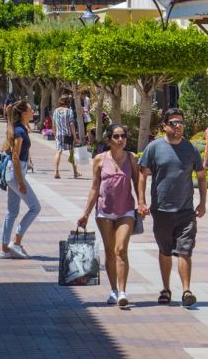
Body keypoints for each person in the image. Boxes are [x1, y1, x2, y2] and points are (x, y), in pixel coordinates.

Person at [137, 108, 206, 307]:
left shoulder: (191, 149)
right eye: (174, 123)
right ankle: (166, 289)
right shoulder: (154, 147)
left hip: (185, 210)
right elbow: (143, 175)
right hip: (162, 210)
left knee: (185, 250)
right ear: (164, 126)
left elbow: (201, 176)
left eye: (181, 123)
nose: (178, 126)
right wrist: (141, 201)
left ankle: (186, 291)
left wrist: (202, 202)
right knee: (165, 251)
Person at [78, 124, 139, 307]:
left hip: (126, 210)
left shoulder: (132, 158)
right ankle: (113, 290)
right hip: (104, 211)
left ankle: (122, 291)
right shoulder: (99, 159)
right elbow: (95, 188)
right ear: (109, 139)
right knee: (110, 251)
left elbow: (137, 182)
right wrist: (86, 213)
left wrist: (142, 202)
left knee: (121, 250)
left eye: (123, 136)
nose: (121, 140)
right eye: (116, 136)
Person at [1, 101, 41, 259]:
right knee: (35, 207)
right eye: (31, 108)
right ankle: (16, 242)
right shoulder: (19, 131)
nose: (33, 110)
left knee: (12, 212)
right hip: (15, 173)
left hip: (15, 173)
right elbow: (15, 157)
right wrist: (21, 182)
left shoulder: (21, 128)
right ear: (24, 113)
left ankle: (5, 248)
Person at [53, 96, 81, 179]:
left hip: (59, 134)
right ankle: (75, 172)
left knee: (58, 152)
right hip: (68, 134)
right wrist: (75, 137)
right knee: (72, 153)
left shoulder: (55, 111)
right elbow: (71, 124)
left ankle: (56, 172)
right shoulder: (69, 111)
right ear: (68, 102)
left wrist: (55, 134)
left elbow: (53, 124)